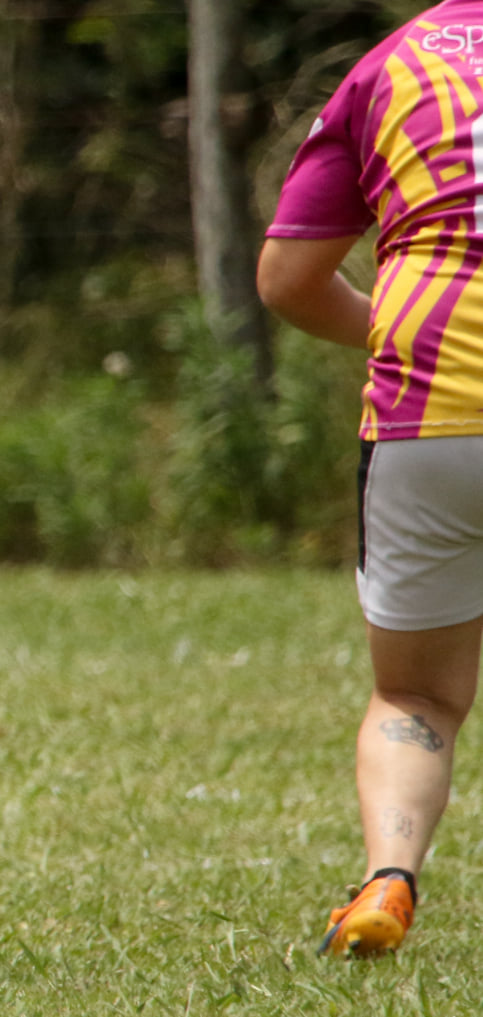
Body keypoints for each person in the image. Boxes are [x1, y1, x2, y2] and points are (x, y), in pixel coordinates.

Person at [258, 0, 483, 959]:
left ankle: (387, 878)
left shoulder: (391, 65)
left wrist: (400, 328)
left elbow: (287, 280)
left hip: (429, 416)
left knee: (413, 697)